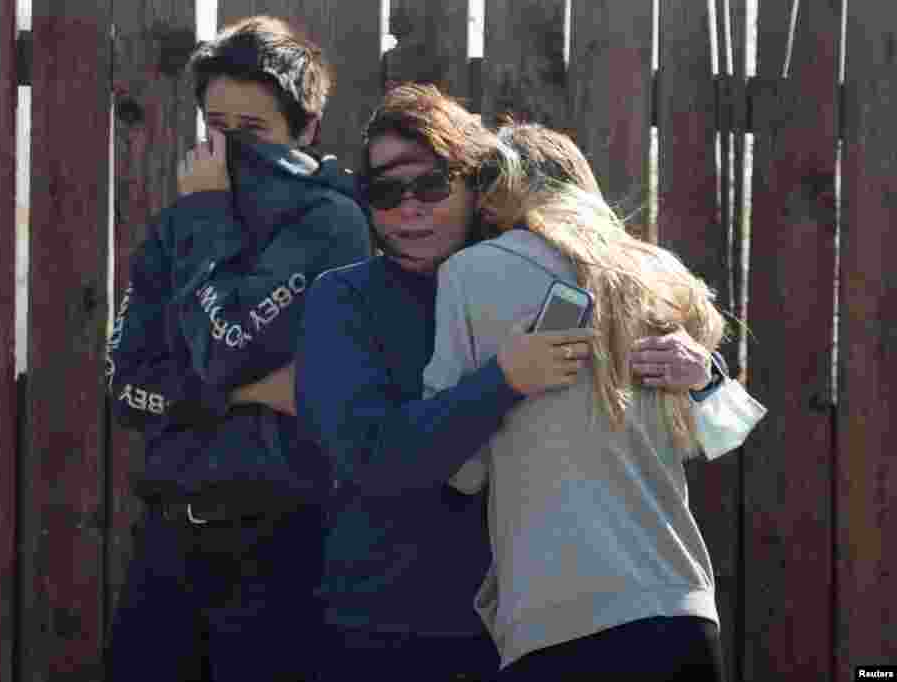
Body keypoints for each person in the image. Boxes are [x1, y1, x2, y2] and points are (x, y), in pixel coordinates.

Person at [293, 86, 714, 681]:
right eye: (385, 193)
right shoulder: (344, 300)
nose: (409, 209)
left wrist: (700, 369)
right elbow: (371, 456)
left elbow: (660, 342)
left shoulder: (536, 272)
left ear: (477, 186)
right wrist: (502, 382)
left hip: (533, 630)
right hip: (393, 627)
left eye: (431, 186)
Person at [104, 16, 371, 681]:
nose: (228, 149)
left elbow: (226, 349)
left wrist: (204, 221)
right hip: (167, 542)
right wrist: (248, 394)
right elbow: (125, 387)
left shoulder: (330, 224)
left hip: (276, 549)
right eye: (215, 128)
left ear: (305, 131)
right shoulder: (181, 223)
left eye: (251, 132)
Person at [423, 122, 730, 679]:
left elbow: (459, 469)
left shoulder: (468, 273)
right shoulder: (661, 274)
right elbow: (722, 434)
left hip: (558, 620)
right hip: (680, 604)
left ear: (493, 194)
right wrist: (707, 376)